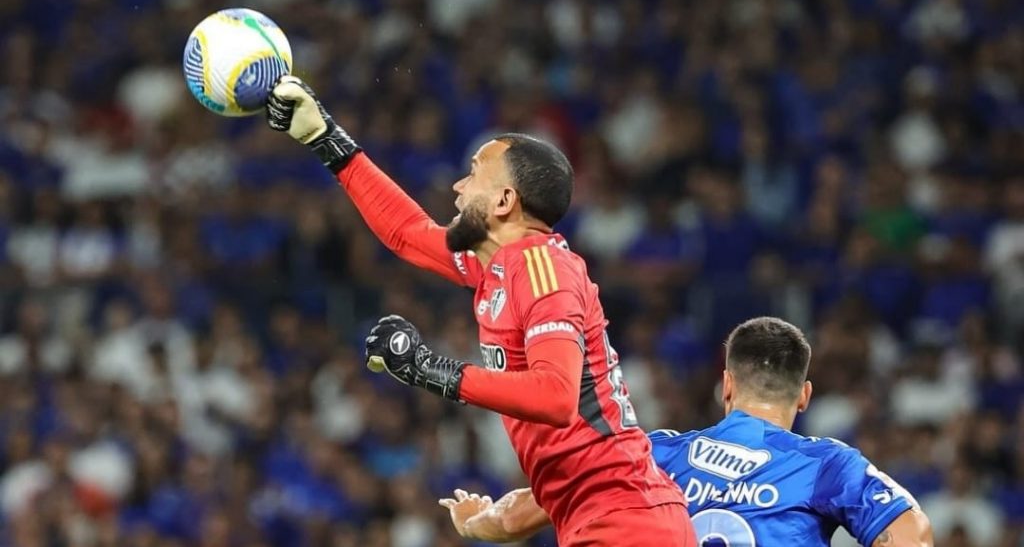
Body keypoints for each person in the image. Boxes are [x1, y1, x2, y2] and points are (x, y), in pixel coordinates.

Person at [264, 76, 695, 546]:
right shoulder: (499, 268)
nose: (457, 186)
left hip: (628, 523)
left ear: (505, 201)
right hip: (609, 519)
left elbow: (555, 396)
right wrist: (325, 137)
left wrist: (432, 370)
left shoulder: (542, 268)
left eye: (473, 174)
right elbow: (408, 233)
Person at [439, 317, 934, 546]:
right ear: (803, 396)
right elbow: (913, 533)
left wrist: (473, 519)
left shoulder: (654, 453)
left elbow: (524, 512)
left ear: (726, 385)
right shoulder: (827, 463)